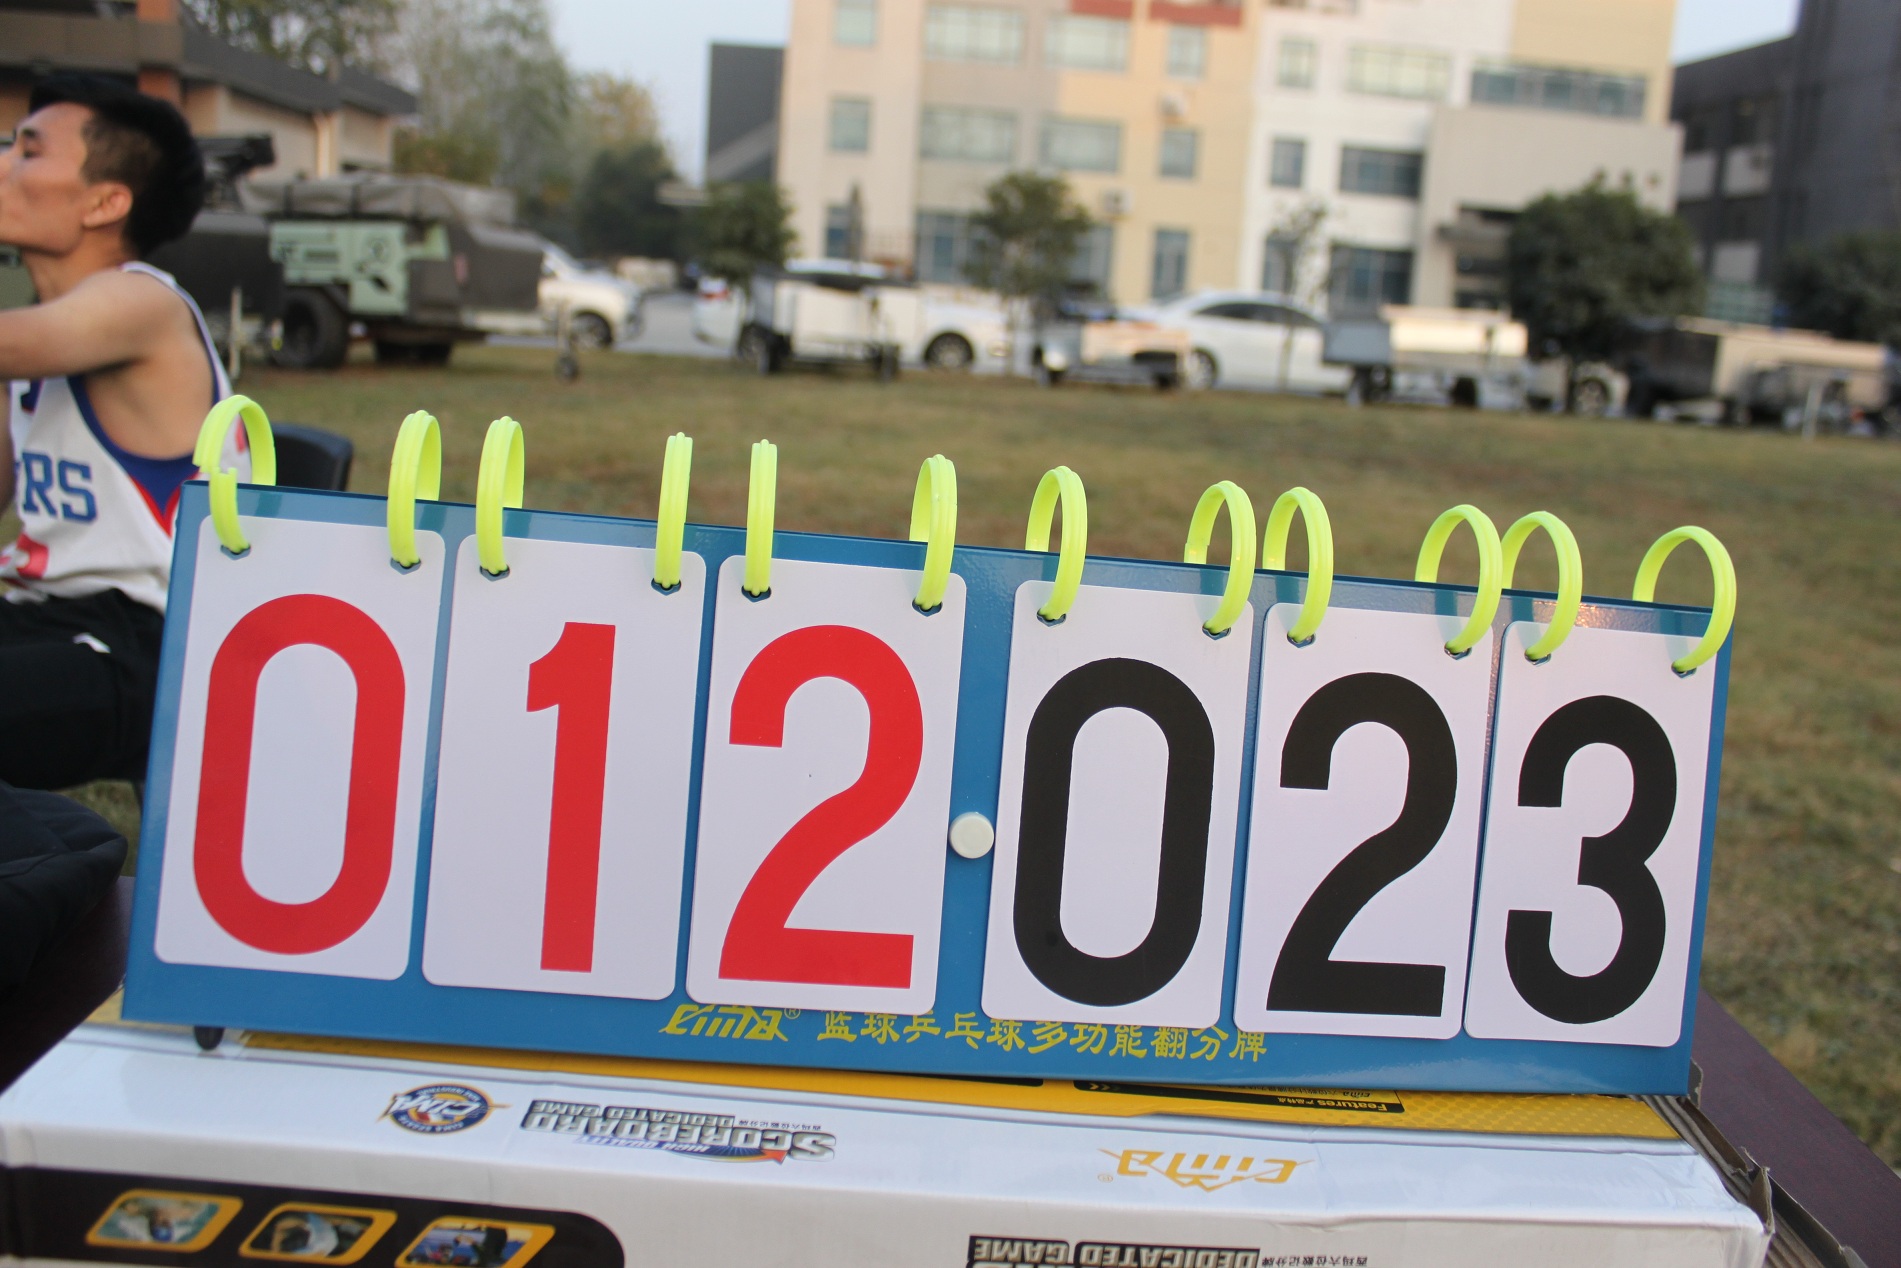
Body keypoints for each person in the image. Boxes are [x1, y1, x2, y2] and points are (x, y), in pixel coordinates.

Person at [0, 73, 244, 791]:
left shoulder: (141, 302)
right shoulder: (40, 337)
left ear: (105, 203)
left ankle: (67, 850)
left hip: (145, 639)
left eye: (28, 152)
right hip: (41, 613)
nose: (4, 164)